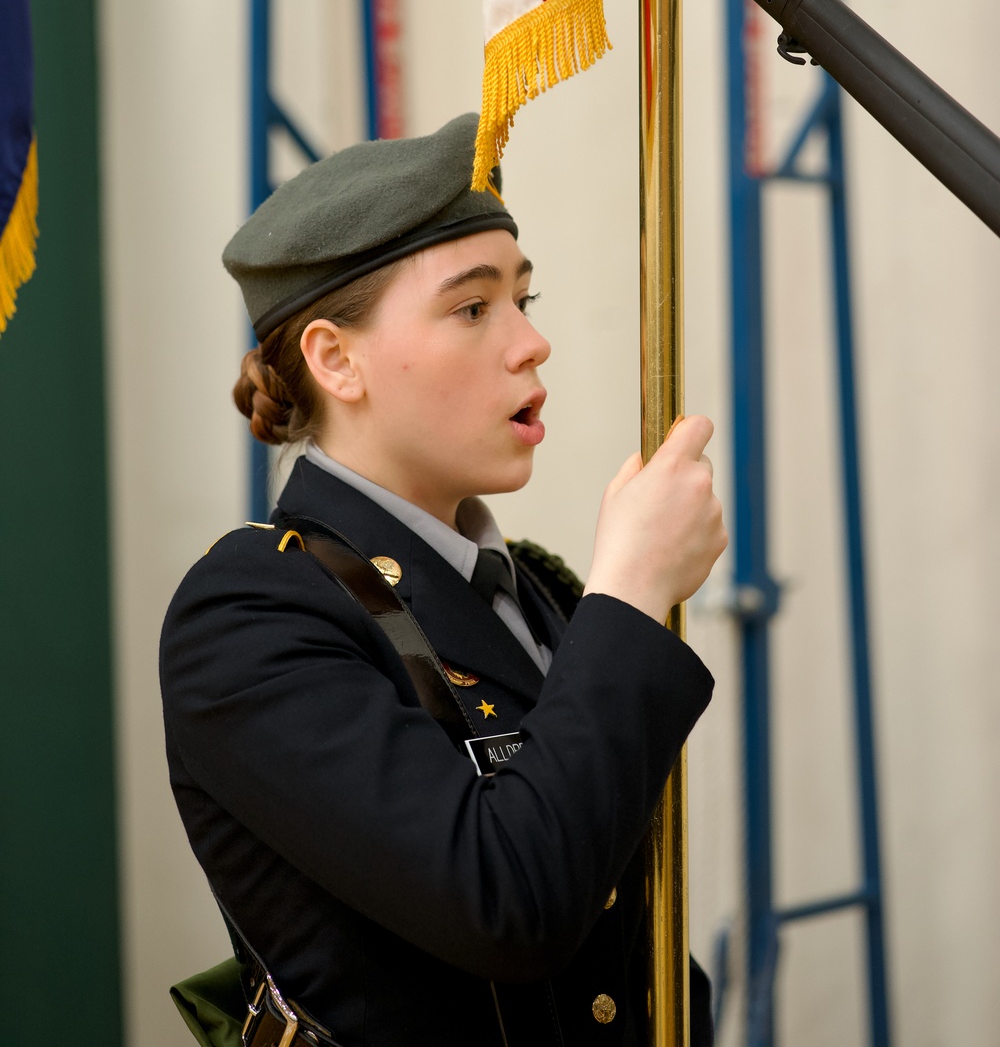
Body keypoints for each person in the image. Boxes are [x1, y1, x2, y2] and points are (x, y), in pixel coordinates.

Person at [160, 113, 728, 1047]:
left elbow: (625, 949)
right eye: (473, 308)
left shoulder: (528, 590)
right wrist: (629, 596)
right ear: (335, 359)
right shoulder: (250, 613)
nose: (529, 343)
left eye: (525, 299)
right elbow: (508, 902)